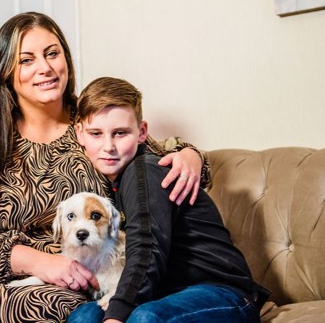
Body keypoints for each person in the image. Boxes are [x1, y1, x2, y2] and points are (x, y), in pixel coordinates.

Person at [0, 12, 210, 322]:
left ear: (65, 58)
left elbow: (154, 156)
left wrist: (190, 155)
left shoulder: (91, 124)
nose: (45, 68)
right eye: (26, 60)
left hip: (80, 272)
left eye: (52, 53)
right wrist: (34, 261)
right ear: (6, 71)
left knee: (62, 304)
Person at [70, 77, 270, 323]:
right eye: (96, 133)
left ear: (142, 132)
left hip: (223, 292)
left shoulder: (144, 172)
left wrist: (116, 316)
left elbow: (147, 248)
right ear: (80, 133)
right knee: (84, 316)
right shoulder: (112, 184)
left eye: (120, 133)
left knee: (145, 317)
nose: (108, 146)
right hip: (165, 294)